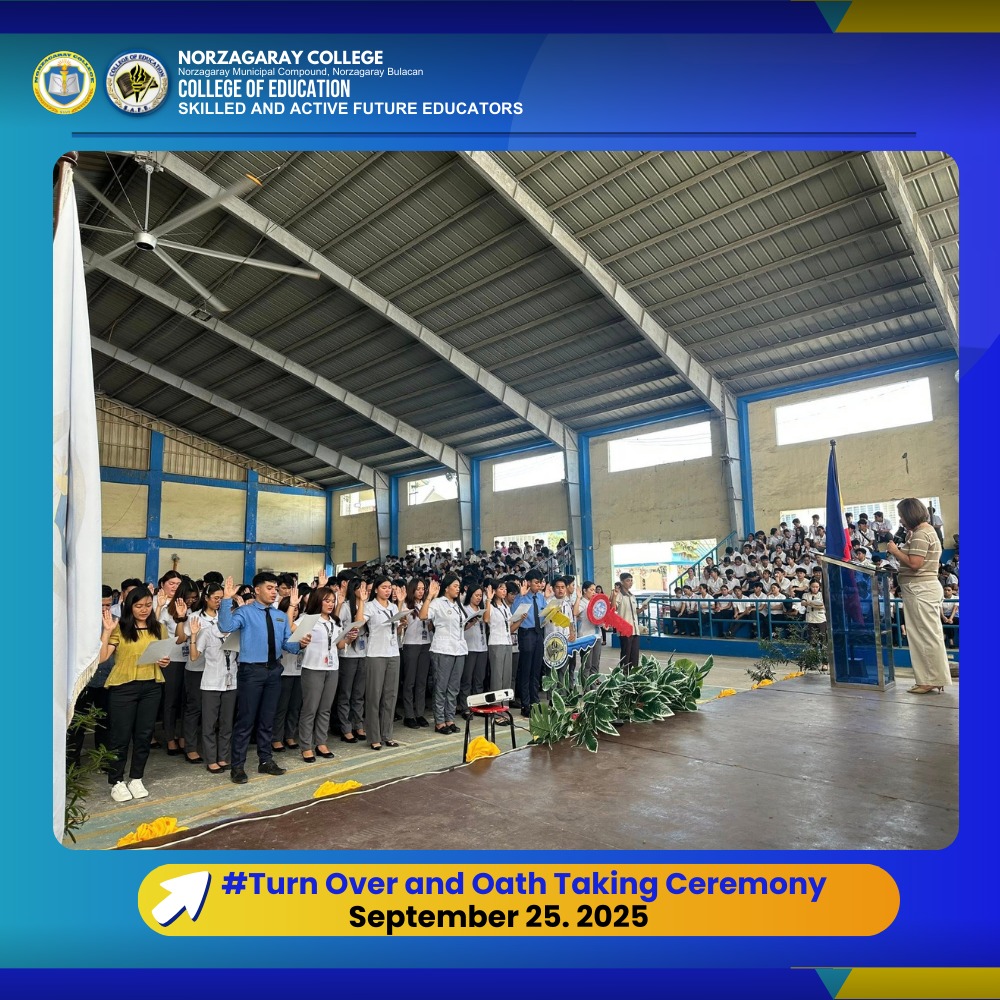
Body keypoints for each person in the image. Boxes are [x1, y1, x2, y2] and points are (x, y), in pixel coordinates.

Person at [218, 572, 312, 784]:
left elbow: (287, 644)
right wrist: (226, 600)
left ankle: (265, 760)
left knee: (268, 719)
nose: (273, 592)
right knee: (246, 720)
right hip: (251, 672)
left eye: (275, 588)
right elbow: (225, 627)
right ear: (257, 589)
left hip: (274, 671)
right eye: (269, 587)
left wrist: (300, 644)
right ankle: (238, 766)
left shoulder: (279, 616)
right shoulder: (245, 612)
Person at [99, 588, 172, 802]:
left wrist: (164, 661)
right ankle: (116, 781)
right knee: (120, 736)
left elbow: (163, 657)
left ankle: (136, 777)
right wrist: (106, 631)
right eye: (139, 605)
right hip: (123, 688)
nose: (144, 610)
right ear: (129, 606)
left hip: (151, 686)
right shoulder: (119, 628)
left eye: (148, 605)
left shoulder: (159, 628)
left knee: (144, 735)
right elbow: (103, 658)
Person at [887, 498, 952, 694]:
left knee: (924, 636)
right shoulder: (925, 531)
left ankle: (929, 679)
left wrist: (895, 551)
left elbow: (915, 563)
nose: (900, 520)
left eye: (901, 516)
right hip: (923, 588)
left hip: (920, 589)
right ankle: (934, 677)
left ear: (909, 514)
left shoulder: (921, 534)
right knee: (928, 635)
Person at [188, 583, 237, 774]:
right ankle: (211, 759)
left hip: (231, 681)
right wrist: (193, 636)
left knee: (226, 723)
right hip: (210, 682)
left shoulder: (235, 632)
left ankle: (224, 757)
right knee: (209, 723)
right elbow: (194, 656)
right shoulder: (208, 632)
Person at [298, 586, 346, 762]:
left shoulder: (335, 621)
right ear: (318, 601)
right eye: (327, 600)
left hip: (332, 668)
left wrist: (348, 637)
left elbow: (339, 646)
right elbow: (292, 633)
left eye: (333, 601)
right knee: (310, 709)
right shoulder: (308, 619)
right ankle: (306, 745)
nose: (331, 604)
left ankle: (321, 742)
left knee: (325, 708)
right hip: (313, 667)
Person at [420, 574, 466, 734]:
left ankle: (450, 719)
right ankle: (439, 722)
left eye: (459, 586)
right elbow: (423, 616)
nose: (457, 588)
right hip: (443, 649)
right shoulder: (438, 603)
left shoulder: (458, 605)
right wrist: (429, 597)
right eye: (455, 586)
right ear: (446, 588)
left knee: (454, 688)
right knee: (441, 687)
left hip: (459, 649)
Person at [364, 576, 405, 750]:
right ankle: (373, 736)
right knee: (374, 696)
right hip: (376, 653)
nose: (388, 590)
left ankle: (387, 734)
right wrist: (360, 600)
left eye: (390, 587)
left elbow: (395, 630)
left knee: (390, 695)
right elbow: (359, 623)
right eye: (384, 587)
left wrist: (402, 623)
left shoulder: (394, 606)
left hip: (393, 652)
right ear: (376, 589)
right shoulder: (370, 606)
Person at [614, 572, 640, 670]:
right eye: (628, 580)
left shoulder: (632, 596)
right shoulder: (619, 595)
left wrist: (641, 609)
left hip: (635, 629)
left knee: (634, 655)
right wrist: (614, 595)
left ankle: (633, 676)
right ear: (622, 582)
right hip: (625, 629)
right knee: (626, 655)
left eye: (631, 580)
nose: (630, 582)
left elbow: (635, 612)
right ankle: (624, 676)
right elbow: (613, 608)